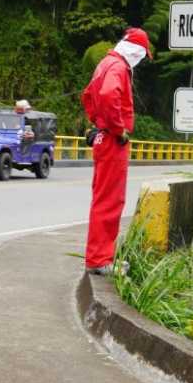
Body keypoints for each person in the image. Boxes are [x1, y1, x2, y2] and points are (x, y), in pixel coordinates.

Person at [81, 28, 153, 275]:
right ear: (136, 50)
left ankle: (99, 257)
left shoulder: (105, 63)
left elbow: (88, 95)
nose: (141, 60)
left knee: (102, 199)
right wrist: (117, 128)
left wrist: (97, 123)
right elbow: (107, 94)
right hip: (113, 140)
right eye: (143, 55)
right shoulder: (118, 67)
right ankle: (101, 260)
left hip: (104, 136)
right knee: (110, 201)